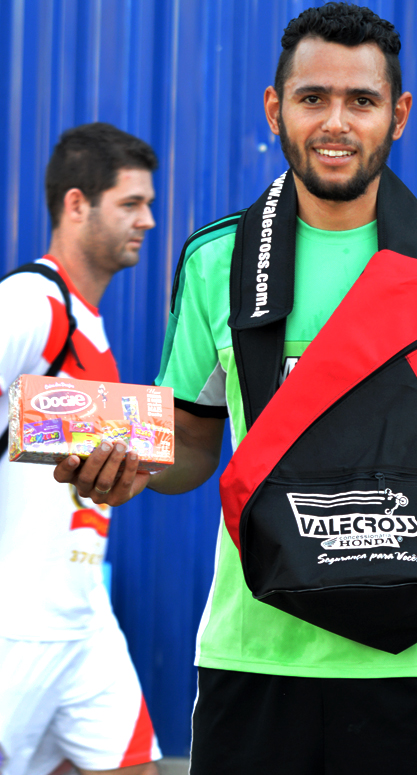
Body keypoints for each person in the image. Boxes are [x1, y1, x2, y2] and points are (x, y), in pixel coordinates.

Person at [55, 6, 417, 774]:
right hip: (251, 655)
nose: (336, 122)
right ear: (274, 107)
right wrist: (133, 469)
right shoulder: (215, 261)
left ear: (399, 115)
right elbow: (191, 441)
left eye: (361, 100)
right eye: (312, 97)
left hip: (410, 665)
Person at [0, 123, 161, 775]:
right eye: (131, 203)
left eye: (148, 203)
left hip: (83, 618)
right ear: (76, 204)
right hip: (16, 627)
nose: (149, 220)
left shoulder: (88, 326)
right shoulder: (27, 305)